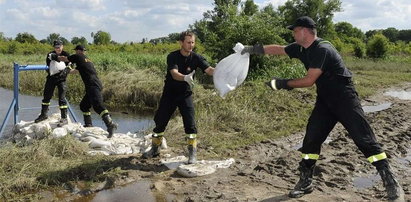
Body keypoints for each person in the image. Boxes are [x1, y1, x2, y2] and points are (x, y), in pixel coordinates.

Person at [242, 16, 404, 201]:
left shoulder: (322, 49)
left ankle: (390, 181)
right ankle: (306, 181)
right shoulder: (301, 48)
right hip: (325, 101)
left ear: (305, 31)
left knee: (364, 139)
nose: (293, 34)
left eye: (295, 30)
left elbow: (309, 80)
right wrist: (252, 50)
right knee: (311, 139)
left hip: (345, 99)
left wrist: (282, 83)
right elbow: (279, 49)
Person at [142, 31, 215, 164]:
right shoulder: (172, 56)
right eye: (188, 42)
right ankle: (154, 149)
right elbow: (174, 74)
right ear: (181, 43)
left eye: (193, 42)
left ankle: (192, 154)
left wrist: (224, 70)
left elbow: (209, 70)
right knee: (160, 121)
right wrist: (185, 77)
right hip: (170, 94)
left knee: (190, 124)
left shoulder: (197, 58)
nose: (191, 45)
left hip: (185, 95)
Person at [58, 45, 118, 138]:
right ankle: (88, 124)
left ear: (78, 51)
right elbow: (76, 71)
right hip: (94, 85)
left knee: (98, 106)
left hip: (92, 85)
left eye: (76, 51)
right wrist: (65, 71)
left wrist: (54, 57)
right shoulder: (87, 60)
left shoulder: (77, 56)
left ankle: (110, 125)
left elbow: (64, 59)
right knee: (84, 106)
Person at [35, 40, 71, 127]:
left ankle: (64, 118)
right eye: (56, 47)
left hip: (61, 79)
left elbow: (71, 64)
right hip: (51, 77)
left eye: (59, 47)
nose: (57, 49)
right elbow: (53, 57)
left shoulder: (67, 54)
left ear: (62, 46)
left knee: (62, 99)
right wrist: (62, 59)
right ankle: (43, 115)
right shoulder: (50, 54)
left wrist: (67, 69)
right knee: (46, 96)